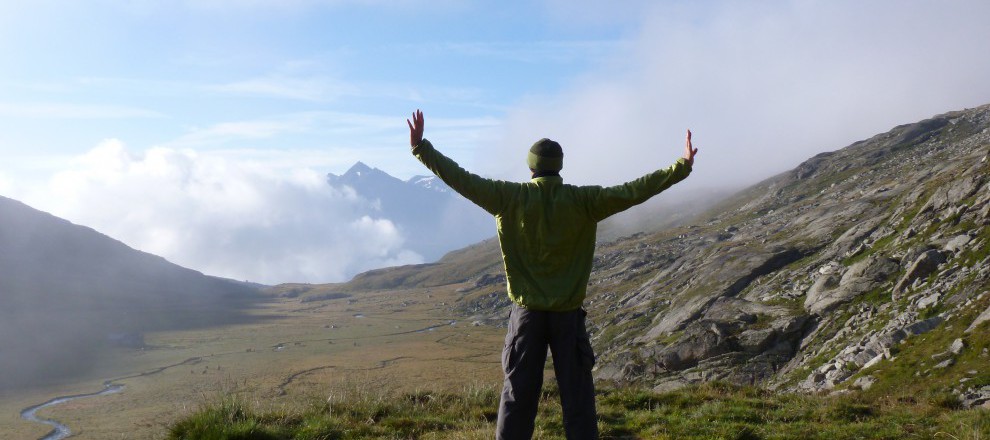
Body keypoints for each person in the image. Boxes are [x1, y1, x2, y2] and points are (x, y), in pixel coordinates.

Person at [407, 109, 696, 439]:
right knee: (578, 401)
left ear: (531, 167)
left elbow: (459, 178)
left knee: (518, 397)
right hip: (568, 318)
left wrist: (421, 148)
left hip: (526, 316)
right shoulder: (584, 201)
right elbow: (634, 190)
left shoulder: (509, 197)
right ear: (559, 166)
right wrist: (681, 168)